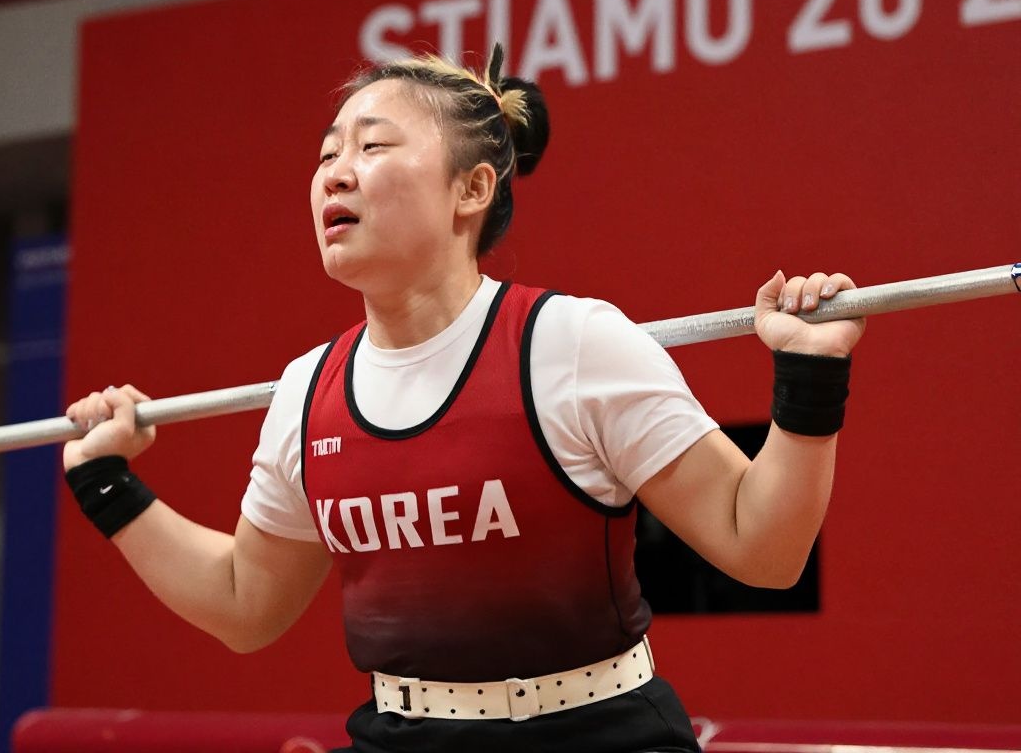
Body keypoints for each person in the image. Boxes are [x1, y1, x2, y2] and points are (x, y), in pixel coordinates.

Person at [62, 44, 865, 753]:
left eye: (373, 146)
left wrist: (810, 378)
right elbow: (246, 604)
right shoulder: (306, 392)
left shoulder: (572, 345)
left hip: (594, 737)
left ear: (472, 188)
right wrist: (107, 485)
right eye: (327, 152)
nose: (335, 171)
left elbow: (762, 548)